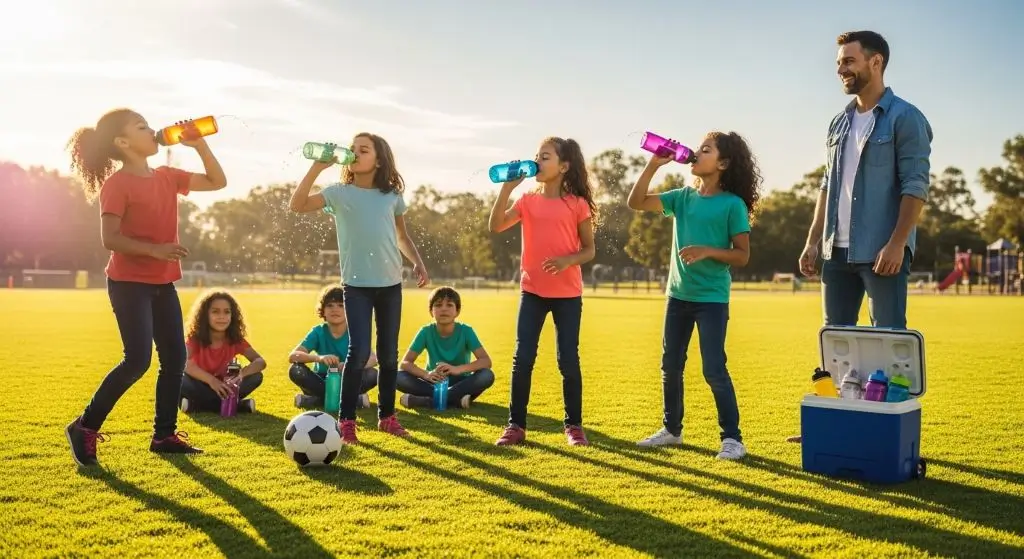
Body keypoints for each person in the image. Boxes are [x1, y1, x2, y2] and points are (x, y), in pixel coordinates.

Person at [792, 31, 932, 443]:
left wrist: (896, 241)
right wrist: (812, 239)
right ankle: (832, 422)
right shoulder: (838, 122)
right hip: (835, 249)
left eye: (849, 61)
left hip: (881, 249)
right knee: (835, 340)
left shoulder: (906, 118)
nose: (841, 69)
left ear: (876, 62)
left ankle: (884, 428)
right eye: (839, 62)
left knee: (888, 340)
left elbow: (915, 185)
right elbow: (825, 186)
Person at [64, 109, 226, 465]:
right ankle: (84, 427)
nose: (152, 129)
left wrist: (199, 145)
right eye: (141, 127)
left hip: (162, 282)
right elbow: (110, 238)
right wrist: (155, 250)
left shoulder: (167, 176)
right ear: (122, 143)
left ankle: (164, 435)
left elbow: (217, 182)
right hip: (128, 284)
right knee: (137, 360)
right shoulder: (117, 185)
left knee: (175, 359)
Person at [627, 131, 762, 460]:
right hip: (678, 296)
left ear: (723, 163)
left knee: (713, 368)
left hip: (712, 299)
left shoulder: (732, 205)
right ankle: (671, 430)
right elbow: (636, 202)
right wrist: (653, 165)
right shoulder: (682, 197)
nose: (696, 154)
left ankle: (733, 439)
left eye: (706, 150)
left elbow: (742, 256)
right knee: (670, 365)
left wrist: (707, 251)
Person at [289, 132, 429, 444]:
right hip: (356, 286)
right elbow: (297, 205)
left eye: (362, 150)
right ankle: (347, 422)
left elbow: (402, 237)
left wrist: (417, 262)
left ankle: (388, 417)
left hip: (391, 284)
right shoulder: (339, 193)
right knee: (359, 352)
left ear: (379, 160)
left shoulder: (391, 196)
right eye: (352, 149)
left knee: (389, 356)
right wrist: (317, 168)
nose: (354, 154)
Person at [488, 137, 597, 446]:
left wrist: (568, 260)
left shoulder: (577, 204)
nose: (537, 161)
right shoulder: (527, 201)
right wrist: (507, 189)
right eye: (537, 155)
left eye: (544, 157)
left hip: (567, 296)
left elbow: (589, 250)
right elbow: (496, 225)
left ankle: (574, 426)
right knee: (522, 359)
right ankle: (515, 426)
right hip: (532, 292)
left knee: (567, 361)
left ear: (564, 166)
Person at [397, 286, 495, 409]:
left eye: (449, 305)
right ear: (431, 311)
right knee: (397, 376)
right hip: (433, 382)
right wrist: (427, 374)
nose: (443, 309)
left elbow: (486, 361)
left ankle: (427, 401)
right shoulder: (425, 332)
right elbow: (405, 363)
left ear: (457, 311)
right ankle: (456, 400)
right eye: (438, 305)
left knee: (486, 375)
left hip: (461, 382)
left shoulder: (466, 331)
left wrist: (457, 369)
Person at [288, 285, 379, 409]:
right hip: (321, 379)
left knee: (373, 374)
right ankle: (352, 400)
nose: (335, 309)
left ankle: (316, 400)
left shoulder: (355, 331)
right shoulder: (318, 331)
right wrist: (319, 358)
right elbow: (293, 356)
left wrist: (349, 366)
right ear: (323, 310)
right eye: (330, 305)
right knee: (296, 370)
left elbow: (373, 359)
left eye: (341, 305)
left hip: (347, 379)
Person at [180, 290, 266, 413]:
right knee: (180, 378)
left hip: (226, 387)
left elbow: (260, 362)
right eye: (215, 311)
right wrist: (211, 381)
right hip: (200, 385)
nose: (222, 317)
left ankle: (196, 406)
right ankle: (237, 406)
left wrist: (241, 374)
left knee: (256, 376)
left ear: (232, 315)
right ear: (205, 315)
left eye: (227, 312)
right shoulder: (195, 339)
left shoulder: (235, 339)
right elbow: (181, 361)